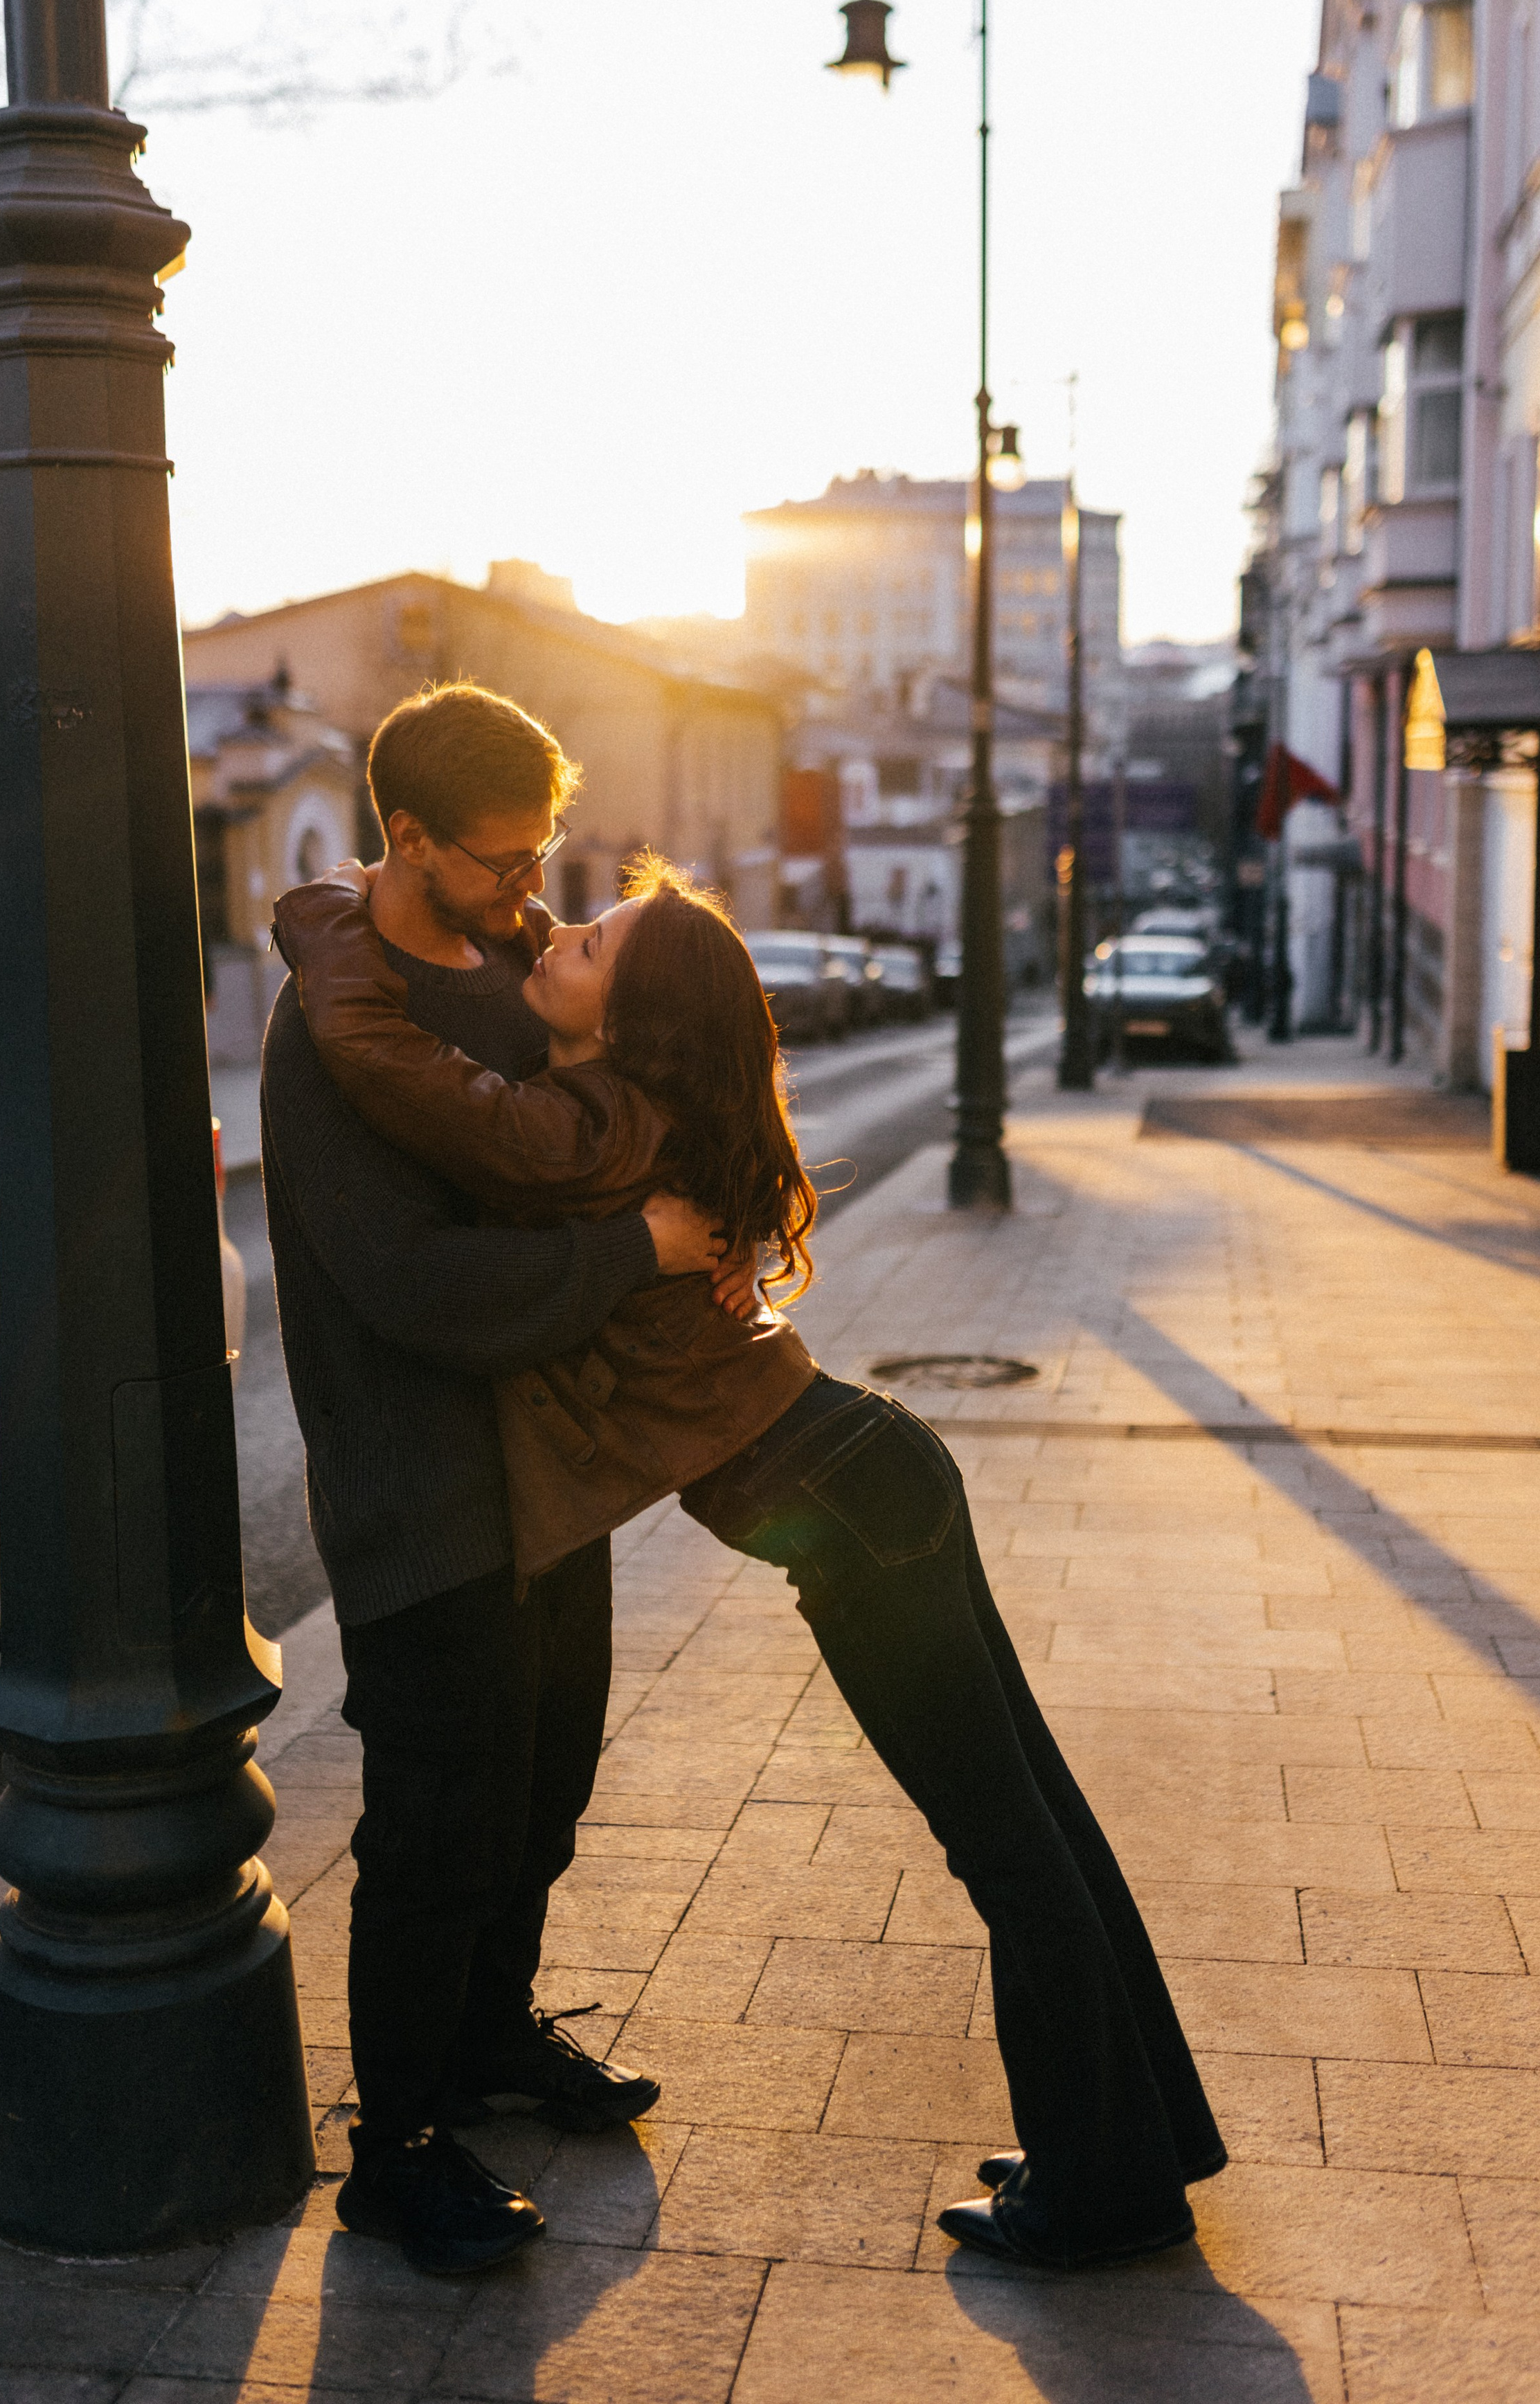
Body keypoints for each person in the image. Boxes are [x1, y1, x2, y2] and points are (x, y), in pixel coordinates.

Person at [271, 852, 1228, 2274]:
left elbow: (402, 1076)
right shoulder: (638, 1105)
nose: (553, 928)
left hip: (849, 1506)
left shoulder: (587, 1126)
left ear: (627, 1018)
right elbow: (530, 975)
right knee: (1029, 1809)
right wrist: (422, 885)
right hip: (865, 1480)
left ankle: (1105, 2188)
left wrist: (323, 918)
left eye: (585, 940)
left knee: (1000, 1836)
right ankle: (1138, 2139)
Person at [260, 679, 751, 2281]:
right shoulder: (342, 1030)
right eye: (495, 861)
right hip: (421, 1476)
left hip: (554, 1471)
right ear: (405, 840)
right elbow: (409, 1284)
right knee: (433, 1816)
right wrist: (625, 1251)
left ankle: (488, 2041)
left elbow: (604, 1130)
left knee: (539, 1784)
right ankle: (396, 2145)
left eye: (542, 855)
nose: (528, 891)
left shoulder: (506, 977)